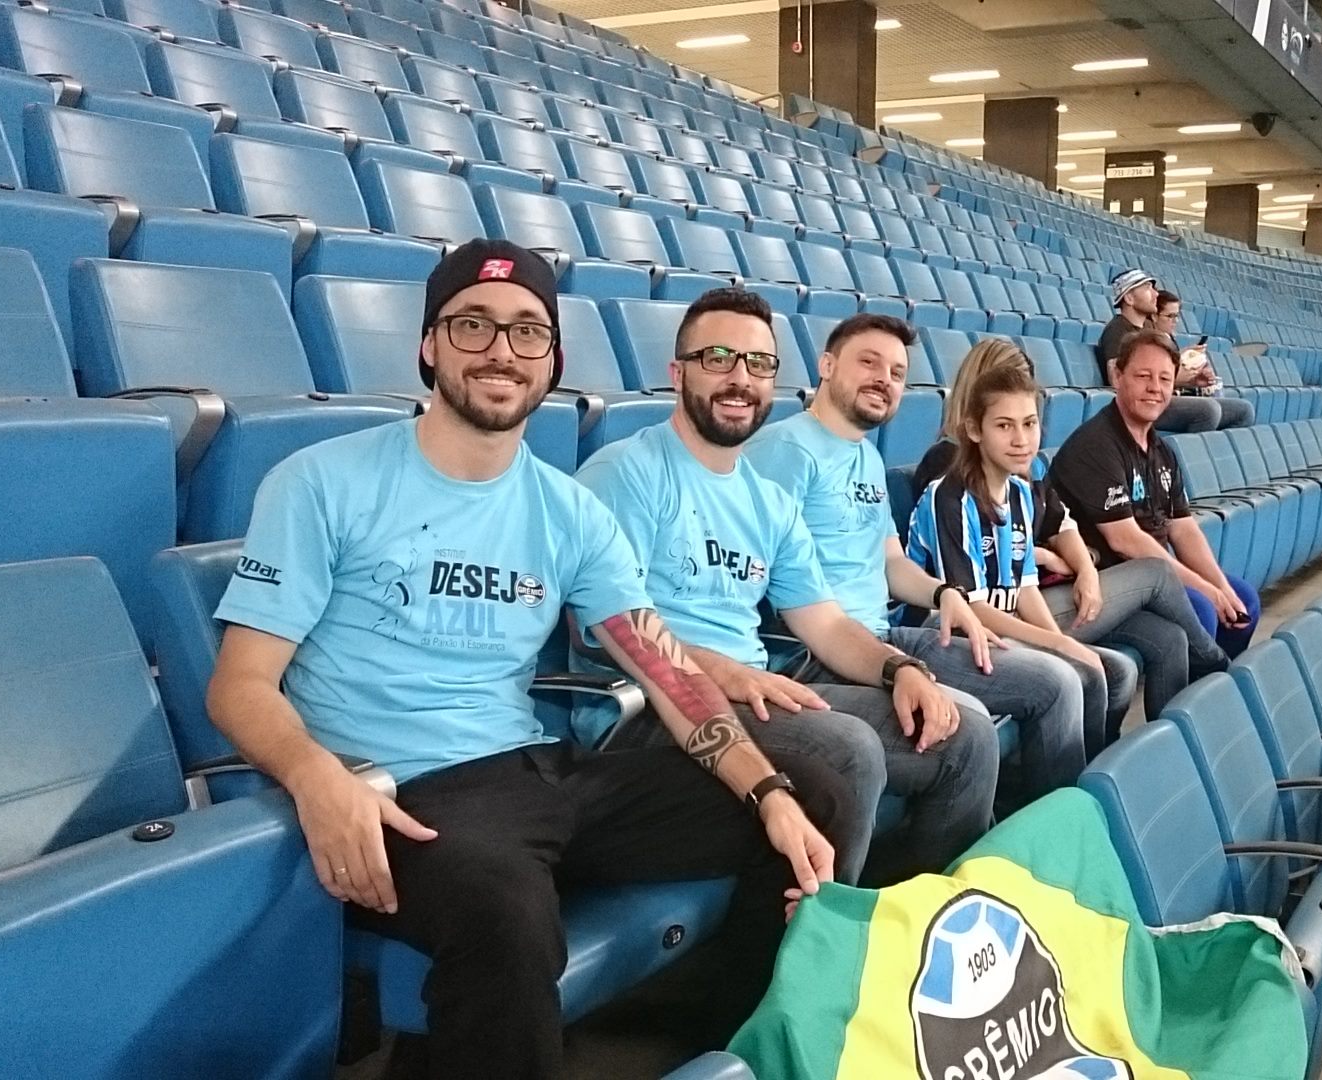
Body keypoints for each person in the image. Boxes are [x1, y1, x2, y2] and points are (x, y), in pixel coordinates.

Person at [205, 241, 844, 1079]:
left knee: (808, 796)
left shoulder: (570, 511)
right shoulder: (322, 482)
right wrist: (313, 774)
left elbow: (667, 672)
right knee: (506, 908)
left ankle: (710, 1044)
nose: (502, 351)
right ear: (429, 345)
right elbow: (238, 686)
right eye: (473, 325)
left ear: (554, 362)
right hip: (406, 793)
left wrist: (767, 791)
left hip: (540, 774)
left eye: (528, 332)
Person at [573, 289, 998, 886]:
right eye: (718, 358)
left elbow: (823, 622)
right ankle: (823, 948)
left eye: (759, 364)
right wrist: (727, 672)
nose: (740, 379)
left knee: (967, 734)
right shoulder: (627, 473)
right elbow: (612, 634)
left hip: (758, 694)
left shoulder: (765, 499)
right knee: (850, 748)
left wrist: (901, 669)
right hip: (650, 706)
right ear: (678, 373)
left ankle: (909, 920)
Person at [747, 314, 1095, 802]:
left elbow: (891, 562)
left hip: (885, 634)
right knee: (968, 727)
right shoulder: (784, 450)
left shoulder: (865, 455)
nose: (883, 379)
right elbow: (775, 593)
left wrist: (943, 593)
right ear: (826, 366)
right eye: (868, 362)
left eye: (896, 372)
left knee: (1056, 682)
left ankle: (1047, 831)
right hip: (820, 653)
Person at [913, 338, 1230, 725]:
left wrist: (1082, 566)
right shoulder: (949, 471)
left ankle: (1163, 745)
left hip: (1034, 595)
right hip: (979, 617)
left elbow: (1057, 524)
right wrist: (1048, 564)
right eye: (1005, 417)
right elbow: (983, 574)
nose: (1020, 433)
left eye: (1028, 418)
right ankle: (1220, 672)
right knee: (1156, 573)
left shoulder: (1022, 476)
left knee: (1167, 640)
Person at [906, 362, 1138, 757]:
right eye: (1004, 426)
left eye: (1029, 424)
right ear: (975, 431)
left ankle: (1091, 774)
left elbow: (1024, 586)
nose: (1021, 439)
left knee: (1117, 672)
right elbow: (971, 607)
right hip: (945, 633)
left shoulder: (1020, 492)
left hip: (1002, 628)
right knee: (1068, 675)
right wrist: (1058, 647)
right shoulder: (950, 496)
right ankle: (1052, 794)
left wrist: (1062, 642)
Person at [1050, 329, 1263, 658]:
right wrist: (1206, 590)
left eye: (1165, 379)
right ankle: (1198, 692)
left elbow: (1183, 528)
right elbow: (1126, 542)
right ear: (1118, 376)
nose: (1155, 388)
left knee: (1243, 599)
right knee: (1202, 608)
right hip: (1110, 580)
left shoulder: (1161, 449)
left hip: (1159, 575)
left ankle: (1215, 694)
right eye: (1143, 376)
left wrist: (1220, 585)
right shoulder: (1095, 445)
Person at [1096, 269, 1235, 434]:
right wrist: (1176, 379)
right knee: (1208, 411)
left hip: (1160, 395)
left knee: (1243, 411)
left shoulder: (1149, 329)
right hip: (1140, 403)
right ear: (1129, 298)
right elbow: (1116, 381)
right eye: (1148, 288)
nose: (1156, 294)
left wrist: (1190, 380)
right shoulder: (1117, 330)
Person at [1152, 290, 1254, 430]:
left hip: (1176, 393)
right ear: (1154, 316)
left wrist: (1194, 380)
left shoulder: (1169, 339)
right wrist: (1179, 377)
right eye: (1170, 316)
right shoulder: (1147, 343)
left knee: (1245, 411)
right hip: (1159, 401)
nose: (1175, 321)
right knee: (1209, 411)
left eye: (1177, 316)